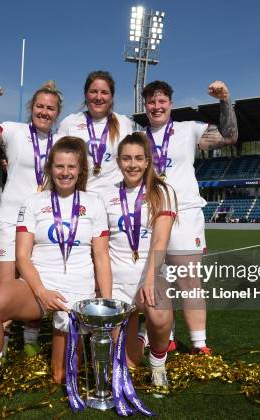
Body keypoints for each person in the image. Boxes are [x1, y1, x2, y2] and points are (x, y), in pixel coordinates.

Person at [0, 137, 112, 417]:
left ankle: (70, 348)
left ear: (80, 170)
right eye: (59, 166)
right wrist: (42, 291)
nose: (65, 172)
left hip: (78, 292)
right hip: (38, 286)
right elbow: (22, 256)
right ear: (50, 168)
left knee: (61, 377)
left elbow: (102, 257)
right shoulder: (33, 202)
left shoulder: (94, 204)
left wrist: (103, 301)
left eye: (71, 166)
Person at [141, 79, 238, 356]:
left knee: (188, 280)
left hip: (184, 212)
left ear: (170, 103)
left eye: (162, 101)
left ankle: (199, 344)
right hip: (150, 214)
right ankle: (165, 337)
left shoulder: (188, 129)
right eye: (151, 101)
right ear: (145, 106)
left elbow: (229, 137)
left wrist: (224, 100)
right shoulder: (138, 138)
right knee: (157, 279)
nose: (157, 106)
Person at [0, 80, 63, 355]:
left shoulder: (62, 142)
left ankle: (31, 342)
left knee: (37, 283)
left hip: (44, 222)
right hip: (12, 220)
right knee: (7, 288)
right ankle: (4, 348)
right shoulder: (13, 131)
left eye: (51, 108)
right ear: (31, 108)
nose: (45, 112)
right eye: (40, 106)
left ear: (57, 113)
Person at [100, 133, 177, 384]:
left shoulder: (162, 192)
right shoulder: (105, 195)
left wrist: (151, 279)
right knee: (128, 366)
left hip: (149, 275)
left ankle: (158, 365)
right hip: (116, 281)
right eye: (126, 158)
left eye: (138, 158)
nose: (132, 164)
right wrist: (104, 292)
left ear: (147, 162)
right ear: (119, 162)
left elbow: (160, 241)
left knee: (159, 311)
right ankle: (139, 339)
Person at [57, 70, 133, 196]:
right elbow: (57, 162)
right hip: (80, 196)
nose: (98, 97)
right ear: (85, 95)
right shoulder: (70, 123)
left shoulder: (123, 123)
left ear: (111, 97)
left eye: (104, 92)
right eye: (93, 91)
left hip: (116, 197)